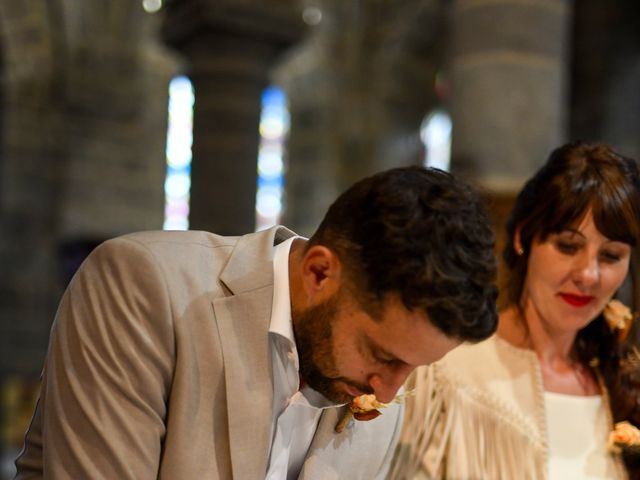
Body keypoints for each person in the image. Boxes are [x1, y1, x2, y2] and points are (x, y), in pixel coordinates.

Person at [14, 166, 498, 479]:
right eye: (382, 355)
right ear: (319, 272)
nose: (388, 394)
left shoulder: (378, 385)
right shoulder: (145, 286)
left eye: (412, 368)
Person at [389, 142, 640, 480]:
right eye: (568, 246)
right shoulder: (443, 373)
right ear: (524, 237)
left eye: (611, 256)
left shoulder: (620, 386)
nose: (588, 275)